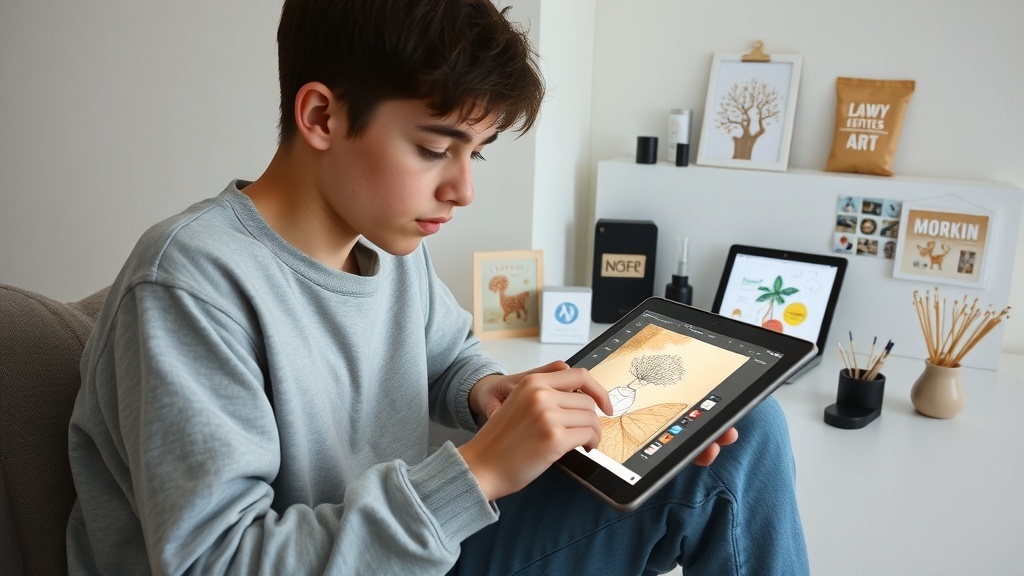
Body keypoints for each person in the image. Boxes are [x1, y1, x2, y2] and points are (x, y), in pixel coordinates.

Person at [66, 1, 809, 574]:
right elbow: (214, 562)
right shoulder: (191, 283)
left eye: (475, 154)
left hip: (411, 549)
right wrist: (479, 471)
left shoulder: (384, 246)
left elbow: (447, 356)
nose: (462, 190)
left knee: (743, 435)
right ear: (321, 115)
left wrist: (490, 394)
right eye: (432, 148)